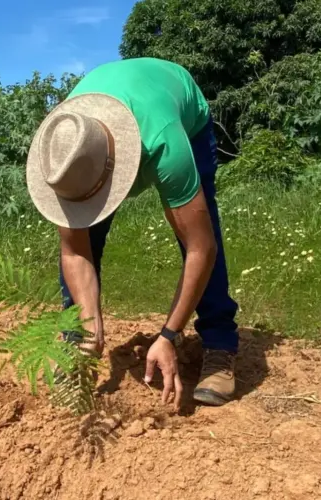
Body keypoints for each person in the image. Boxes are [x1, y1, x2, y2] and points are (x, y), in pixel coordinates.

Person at [24, 57, 239, 411]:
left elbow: (202, 248)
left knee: (198, 231)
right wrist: (90, 322)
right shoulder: (63, 147)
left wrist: (168, 335)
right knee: (85, 239)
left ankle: (219, 344)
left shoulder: (164, 142)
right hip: (108, 124)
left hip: (177, 112)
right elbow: (74, 251)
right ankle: (77, 338)